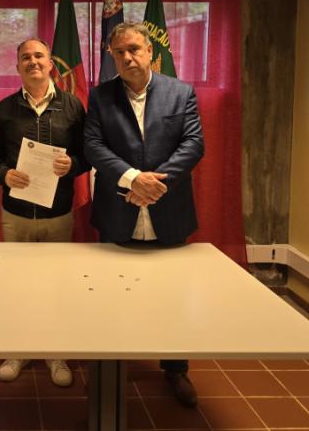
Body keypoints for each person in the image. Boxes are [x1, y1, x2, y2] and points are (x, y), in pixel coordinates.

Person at [82, 22, 205, 408]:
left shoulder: (181, 92)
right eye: (119, 52)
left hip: (169, 211)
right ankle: (111, 367)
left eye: (134, 49)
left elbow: (193, 143)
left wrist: (154, 184)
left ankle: (175, 368)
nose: (128, 57)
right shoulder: (100, 96)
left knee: (172, 297)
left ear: (151, 51)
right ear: (112, 56)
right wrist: (133, 178)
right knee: (111, 295)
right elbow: (92, 145)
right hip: (118, 211)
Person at [0, 38, 87, 387]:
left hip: (58, 214)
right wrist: (3, 174)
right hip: (15, 215)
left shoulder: (72, 106)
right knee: (16, 287)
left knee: (55, 286)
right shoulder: (5, 108)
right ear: (18, 67)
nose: (33, 62)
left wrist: (72, 164)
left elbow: (88, 155)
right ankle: (18, 350)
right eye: (25, 57)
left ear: (50, 64)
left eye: (39, 56)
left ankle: (55, 353)